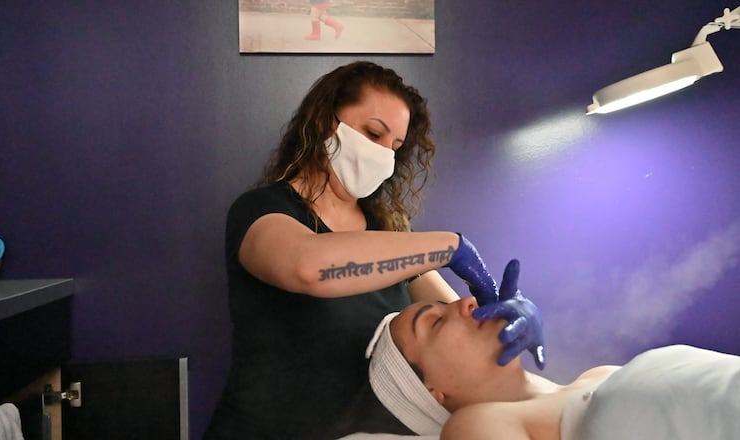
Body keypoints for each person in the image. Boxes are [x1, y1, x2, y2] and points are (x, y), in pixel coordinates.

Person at [204, 61, 545, 440]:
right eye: (372, 133)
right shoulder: (262, 211)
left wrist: (507, 323)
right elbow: (307, 266)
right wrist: (450, 246)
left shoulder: (387, 231)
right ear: (323, 122)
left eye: (395, 147)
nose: (384, 155)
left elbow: (459, 333)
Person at [365, 260, 740, 440]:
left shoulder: (598, 375)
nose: (467, 303)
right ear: (433, 390)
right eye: (435, 322)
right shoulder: (477, 426)